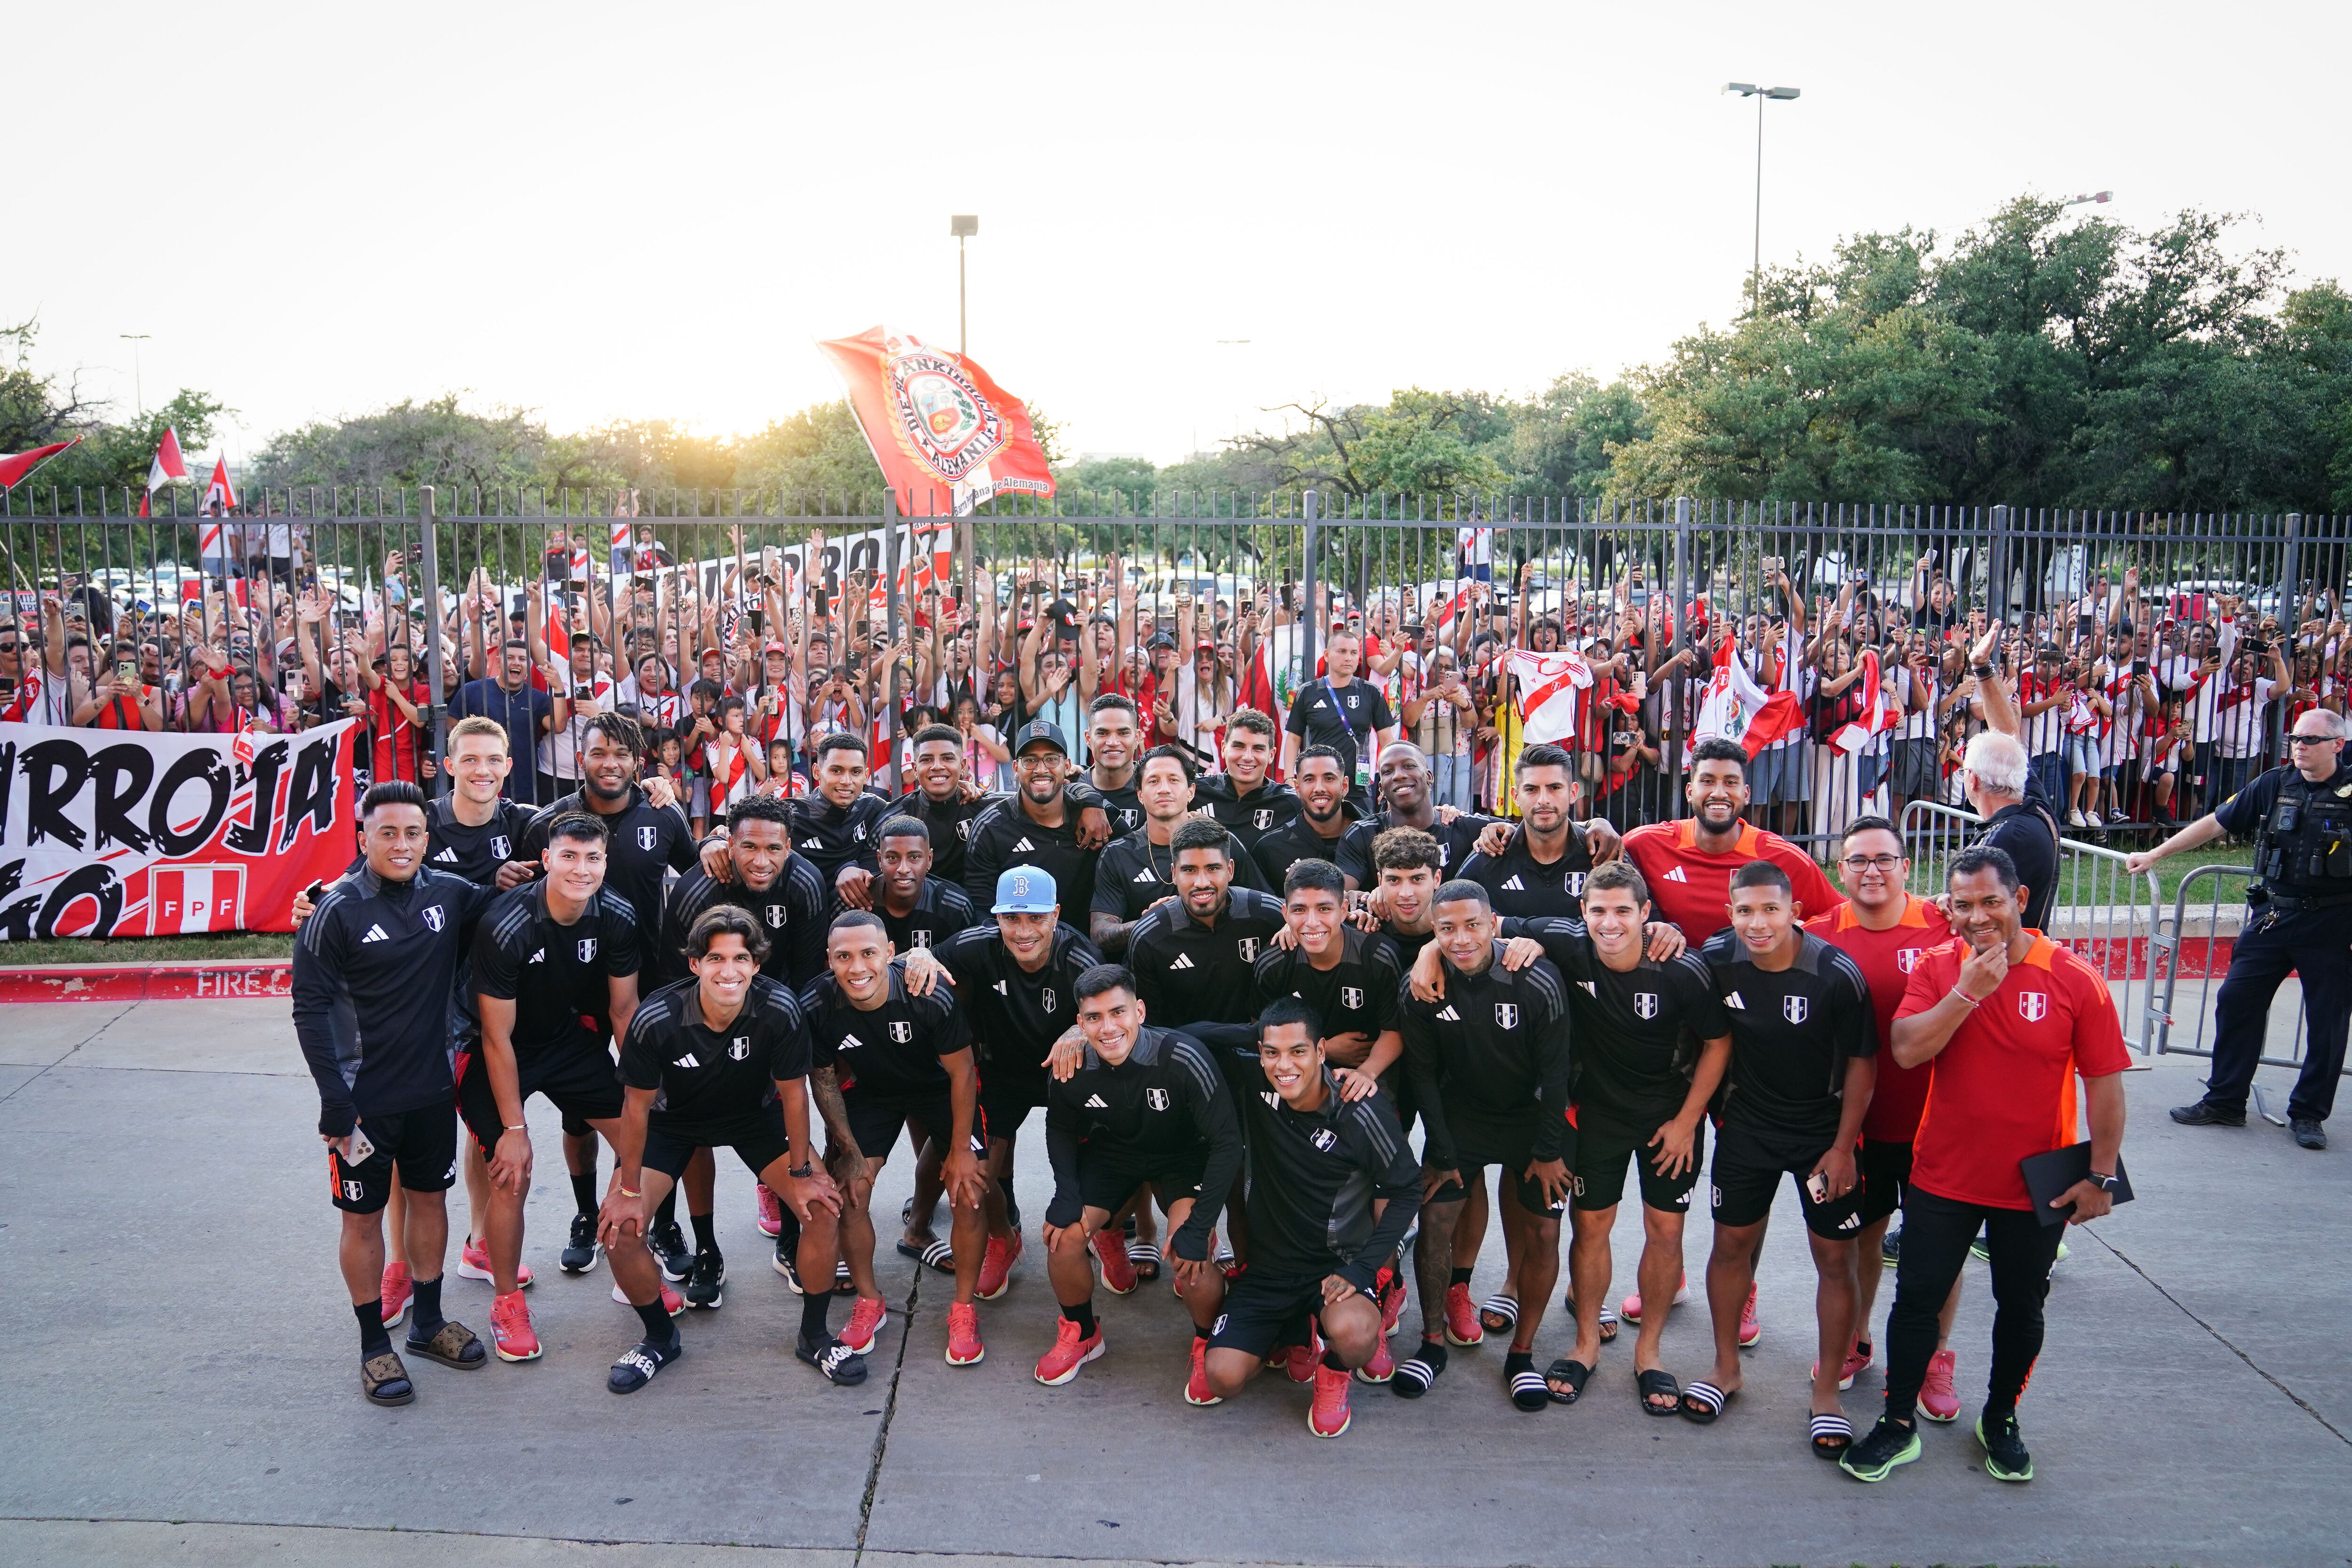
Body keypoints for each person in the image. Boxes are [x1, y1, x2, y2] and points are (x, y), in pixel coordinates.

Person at [1842, 845, 2130, 1483]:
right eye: (1965, 905)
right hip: (1944, 1170)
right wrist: (1968, 993)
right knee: (1916, 1300)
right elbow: (1908, 1049)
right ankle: (1896, 1422)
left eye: (1992, 902)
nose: (1978, 917)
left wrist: (2102, 1175)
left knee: (2022, 1306)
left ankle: (2001, 1419)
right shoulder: (1941, 967)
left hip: (2041, 1179)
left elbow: (2105, 1084)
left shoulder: (2073, 977)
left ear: (2020, 901)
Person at [1481, 860, 1732, 1414]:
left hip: (1669, 1118)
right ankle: (1586, 1343)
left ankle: (1649, 1354)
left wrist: (1689, 1121)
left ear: (1646, 914)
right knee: (1590, 1226)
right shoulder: (1569, 943)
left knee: (1665, 1230)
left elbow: (1717, 1043)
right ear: (1582, 912)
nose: (1609, 923)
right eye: (1598, 911)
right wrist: (1432, 952)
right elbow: (1479, 924)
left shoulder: (1679, 968)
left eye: (1623, 911)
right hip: (1596, 1115)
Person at [293, 780, 500, 1406]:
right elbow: (308, 1010)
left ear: (426, 838)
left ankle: (429, 1323)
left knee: (429, 1202)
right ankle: (371, 1346)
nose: (402, 844)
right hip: (363, 1105)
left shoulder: (449, 893)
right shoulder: (336, 910)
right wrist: (334, 1101)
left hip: (432, 1093)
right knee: (362, 1220)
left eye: (413, 833)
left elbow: (516, 900)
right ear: (364, 838)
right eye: (387, 832)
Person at [601, 908, 854, 1391]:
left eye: (741, 957)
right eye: (715, 957)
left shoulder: (779, 1009)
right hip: (671, 1122)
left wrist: (802, 1172)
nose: (729, 970)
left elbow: (794, 1094)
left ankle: (815, 1335)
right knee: (622, 1227)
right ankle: (658, 1340)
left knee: (822, 1209)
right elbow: (635, 1109)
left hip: (752, 1118)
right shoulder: (656, 1018)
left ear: (756, 965)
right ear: (694, 963)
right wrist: (627, 1189)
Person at [1681, 861, 1876, 1459]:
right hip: (1747, 1130)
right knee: (1729, 1246)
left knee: (1832, 1258)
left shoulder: (1834, 974)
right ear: (1730, 913)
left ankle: (1826, 1394)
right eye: (1745, 911)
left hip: (1822, 1135)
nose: (1757, 923)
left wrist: (1842, 1148)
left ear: (1795, 910)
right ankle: (1724, 1369)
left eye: (1770, 909)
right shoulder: (1715, 960)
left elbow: (1865, 1067)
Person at [519, 714, 703, 1277]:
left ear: (638, 762)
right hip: (572, 996)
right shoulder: (551, 824)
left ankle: (664, 1222)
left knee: (656, 1109)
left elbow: (699, 880)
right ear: (582, 758)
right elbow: (524, 900)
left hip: (647, 988)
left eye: (621, 754)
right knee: (583, 1116)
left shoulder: (661, 813)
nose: (610, 763)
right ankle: (585, 1215)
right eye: (599, 752)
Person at [1198, 997, 1423, 1438]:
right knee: (1222, 1377)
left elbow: (1407, 1189)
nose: (1285, 1066)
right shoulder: (1255, 1080)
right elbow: (1186, 1036)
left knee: (1356, 1336)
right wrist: (1260, 1033)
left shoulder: (1359, 1108)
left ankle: (1332, 1371)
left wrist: (1362, 1269)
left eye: (1298, 1051)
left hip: (1332, 1269)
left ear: (1322, 1051)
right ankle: (1294, 1333)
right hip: (1268, 1269)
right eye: (1272, 1052)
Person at [461, 812, 644, 1353]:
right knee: (511, 1170)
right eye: (568, 856)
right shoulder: (507, 922)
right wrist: (514, 1127)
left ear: (605, 863)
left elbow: (624, 1009)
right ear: (546, 859)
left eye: (592, 858)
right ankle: (506, 1304)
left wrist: (641, 1094)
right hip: (493, 1047)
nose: (580, 869)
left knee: (643, 1140)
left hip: (563, 1041)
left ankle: (629, 1263)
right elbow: (497, 1038)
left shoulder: (617, 914)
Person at [2130, 705, 2352, 1150]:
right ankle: (2226, 1101)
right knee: (2236, 1001)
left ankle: (2309, 1113)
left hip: (2332, 919)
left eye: (2310, 740)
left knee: (2328, 1023)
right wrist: (2157, 854)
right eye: (2295, 739)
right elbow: (2216, 822)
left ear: (2338, 745)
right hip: (2273, 915)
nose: (2299, 747)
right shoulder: (2274, 783)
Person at [1393, 879, 1574, 1411]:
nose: (1461, 938)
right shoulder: (1421, 987)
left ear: (1493, 924)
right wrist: (1443, 1152)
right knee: (1434, 1223)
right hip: (1462, 1120)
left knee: (1544, 1232)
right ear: (1434, 931)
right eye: (1446, 928)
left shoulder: (1535, 980)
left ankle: (1521, 1355)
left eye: (1472, 925)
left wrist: (1547, 1151)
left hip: (1531, 1121)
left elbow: (1557, 1073)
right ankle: (1430, 1344)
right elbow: (1423, 1077)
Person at [1806, 817, 1962, 1417]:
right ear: (1839, 870)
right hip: (1857, 1130)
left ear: (1904, 867)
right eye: (1857, 861)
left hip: (1937, 1125)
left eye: (1883, 860)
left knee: (1937, 1251)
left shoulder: (1946, 925)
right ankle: (1855, 1338)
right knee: (1858, 1242)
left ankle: (1934, 1358)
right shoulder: (1818, 936)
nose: (1871, 871)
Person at [1034, 965, 1243, 1399]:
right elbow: (1059, 1128)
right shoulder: (1071, 1063)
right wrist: (1065, 1192)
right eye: (1094, 1017)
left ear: (1140, 1011)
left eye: (1118, 1012)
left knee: (1192, 1253)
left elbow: (1228, 1143)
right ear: (1080, 1023)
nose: (1108, 1028)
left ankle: (1207, 1339)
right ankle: (1083, 1332)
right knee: (1063, 1237)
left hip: (1182, 1155)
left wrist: (1202, 1222)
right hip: (1117, 1153)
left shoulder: (1183, 1057)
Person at [800, 911, 992, 1367]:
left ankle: (963, 1308)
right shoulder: (817, 1004)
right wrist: (845, 1149)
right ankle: (868, 1301)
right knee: (850, 1191)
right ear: (829, 961)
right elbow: (823, 1081)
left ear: (890, 953)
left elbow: (962, 1073)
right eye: (843, 957)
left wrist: (962, 1151)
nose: (857, 966)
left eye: (868, 953)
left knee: (969, 1191)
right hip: (872, 1093)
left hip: (939, 1090)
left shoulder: (926, 993)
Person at [920, 867, 1105, 1292]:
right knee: (978, 1171)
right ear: (997, 917)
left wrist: (1079, 1029)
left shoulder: (1081, 958)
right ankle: (1004, 1238)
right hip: (1002, 1069)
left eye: (1036, 918)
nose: (1023, 931)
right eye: (1012, 918)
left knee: (1105, 1155)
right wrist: (918, 956)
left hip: (1069, 1072)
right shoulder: (980, 942)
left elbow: (1117, 1011)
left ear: (1056, 914)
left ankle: (1107, 1232)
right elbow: (928, 957)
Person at [1621, 736, 1844, 942]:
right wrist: (1596, 824)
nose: (1719, 793)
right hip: (1673, 977)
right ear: (1690, 792)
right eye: (1707, 781)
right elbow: (1598, 856)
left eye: (1730, 782)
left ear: (1746, 794)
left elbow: (1842, 915)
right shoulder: (1647, 843)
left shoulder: (1783, 857)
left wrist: (1797, 941)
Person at [1128, 818, 1290, 1056]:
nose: (1202, 883)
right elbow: (1149, 1029)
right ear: (1174, 874)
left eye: (1213, 869)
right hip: (1183, 1057)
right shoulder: (1149, 937)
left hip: (1265, 1054)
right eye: (1189, 870)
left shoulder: (1268, 915)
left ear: (1231, 870)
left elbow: (1324, 915)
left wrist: (1296, 925)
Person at [1092, 746, 1265, 955]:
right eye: (1153, 781)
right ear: (1140, 794)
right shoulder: (1117, 854)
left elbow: (1265, 906)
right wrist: (1150, 923)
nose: (1164, 789)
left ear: (1191, 791)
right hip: (1150, 969)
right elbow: (1101, 934)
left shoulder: (1221, 842)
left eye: (1174, 780)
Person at [961, 720, 1112, 923]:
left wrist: (1093, 800)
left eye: (1051, 759)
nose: (1041, 769)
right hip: (1018, 946)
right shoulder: (991, 828)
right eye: (1030, 760)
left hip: (1086, 947)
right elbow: (982, 911)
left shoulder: (1096, 817)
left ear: (1067, 766)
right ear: (1016, 768)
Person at [1456, 743, 1604, 920]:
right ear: (1516, 797)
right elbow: (1452, 918)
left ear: (1573, 793)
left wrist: (1507, 927)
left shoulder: (1602, 853)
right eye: (1531, 790)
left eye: (1554, 788)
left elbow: (1634, 925)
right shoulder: (1488, 854)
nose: (1543, 800)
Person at [1335, 741, 1494, 883]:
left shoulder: (1466, 828)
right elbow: (1343, 896)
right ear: (1381, 788)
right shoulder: (1361, 835)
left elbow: (1516, 834)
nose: (1399, 775)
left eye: (1409, 766)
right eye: (1388, 771)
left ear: (1429, 777)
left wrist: (1503, 830)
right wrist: (1364, 900)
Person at [1279, 625, 1397, 811]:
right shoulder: (1309, 692)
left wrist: (1389, 780)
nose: (1348, 658)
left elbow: (1387, 740)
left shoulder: (1370, 692)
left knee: (1361, 838)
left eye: (1353, 652)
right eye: (1342, 651)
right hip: (1319, 787)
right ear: (1327, 655)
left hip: (1359, 787)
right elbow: (1294, 738)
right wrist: (1289, 777)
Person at [450, 641, 554, 804]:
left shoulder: (538, 698)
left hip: (524, 783)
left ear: (529, 665)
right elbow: (450, 728)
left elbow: (557, 726)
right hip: (479, 779)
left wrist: (559, 689)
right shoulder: (472, 691)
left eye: (522, 659)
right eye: (510, 657)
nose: (516, 663)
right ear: (498, 661)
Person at [1193, 708, 1302, 859]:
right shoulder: (1196, 792)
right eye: (1239, 746)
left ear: (1271, 755)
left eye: (1258, 749)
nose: (1248, 757)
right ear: (1224, 749)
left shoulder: (1290, 804)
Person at [1250, 746, 1362, 889]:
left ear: (1344, 786)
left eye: (1329, 778)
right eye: (1310, 780)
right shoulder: (1271, 849)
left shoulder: (1373, 835)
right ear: (1297, 788)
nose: (1319, 788)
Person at [872, 815, 980, 957]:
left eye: (914, 857)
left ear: (929, 859)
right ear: (880, 860)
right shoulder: (858, 898)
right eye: (893, 858)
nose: (903, 869)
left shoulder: (956, 906)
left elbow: (966, 969)